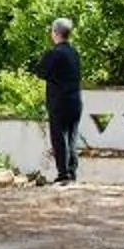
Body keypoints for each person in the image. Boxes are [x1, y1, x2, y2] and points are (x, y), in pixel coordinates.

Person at [35, 18, 83, 184]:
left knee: (59, 137)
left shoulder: (54, 53)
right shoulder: (74, 52)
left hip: (59, 101)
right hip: (75, 100)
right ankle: (72, 171)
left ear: (55, 33)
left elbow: (40, 72)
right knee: (72, 136)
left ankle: (63, 174)